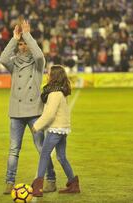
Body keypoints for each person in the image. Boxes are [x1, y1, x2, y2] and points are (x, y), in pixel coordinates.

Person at [0, 20, 56, 194]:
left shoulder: (38, 65)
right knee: (14, 149)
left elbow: (39, 55)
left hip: (34, 112)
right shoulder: (14, 63)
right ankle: (9, 181)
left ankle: (51, 180)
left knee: (41, 147)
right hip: (16, 112)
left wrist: (28, 35)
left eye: (25, 44)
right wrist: (14, 39)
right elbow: (2, 58)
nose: (23, 47)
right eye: (21, 44)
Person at [31, 65, 80, 197]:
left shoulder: (54, 93)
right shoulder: (60, 91)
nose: (47, 75)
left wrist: (36, 126)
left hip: (55, 129)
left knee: (44, 155)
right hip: (62, 128)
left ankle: (38, 187)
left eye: (48, 73)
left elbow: (50, 114)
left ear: (54, 76)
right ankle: (73, 184)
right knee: (61, 157)